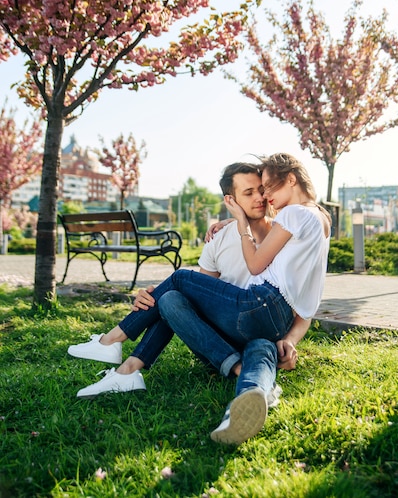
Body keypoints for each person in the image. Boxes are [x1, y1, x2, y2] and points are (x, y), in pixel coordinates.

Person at [68, 162, 300, 401]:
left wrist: (290, 341)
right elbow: (197, 297)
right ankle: (126, 369)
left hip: (262, 334)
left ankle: (117, 349)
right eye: (248, 193)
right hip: (216, 341)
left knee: (261, 345)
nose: (260, 197)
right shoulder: (218, 239)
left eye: (262, 189)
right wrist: (153, 298)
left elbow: (304, 296)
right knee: (169, 298)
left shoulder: (285, 233)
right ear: (231, 201)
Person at [149, 152, 331, 443]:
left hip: (259, 307)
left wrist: (241, 225)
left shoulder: (290, 219)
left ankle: (121, 337)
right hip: (268, 324)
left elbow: (256, 264)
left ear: (292, 179)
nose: (265, 195)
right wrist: (290, 340)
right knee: (260, 346)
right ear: (233, 198)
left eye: (267, 187)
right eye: (256, 191)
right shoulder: (319, 221)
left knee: (180, 278)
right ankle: (248, 398)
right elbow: (310, 301)